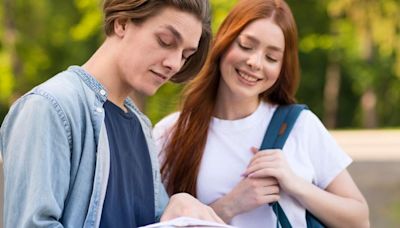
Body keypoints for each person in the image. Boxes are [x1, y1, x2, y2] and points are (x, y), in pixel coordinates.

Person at [0, 0, 225, 227]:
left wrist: (178, 205)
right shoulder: (50, 107)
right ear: (122, 23)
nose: (175, 64)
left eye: (186, 55)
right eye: (165, 41)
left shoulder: (142, 127)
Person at [153, 0, 370, 227]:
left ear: (282, 67)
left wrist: (295, 185)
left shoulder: (300, 126)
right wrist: (230, 206)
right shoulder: (171, 132)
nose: (255, 62)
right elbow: (156, 221)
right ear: (224, 42)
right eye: (246, 46)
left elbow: (360, 220)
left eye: (271, 57)